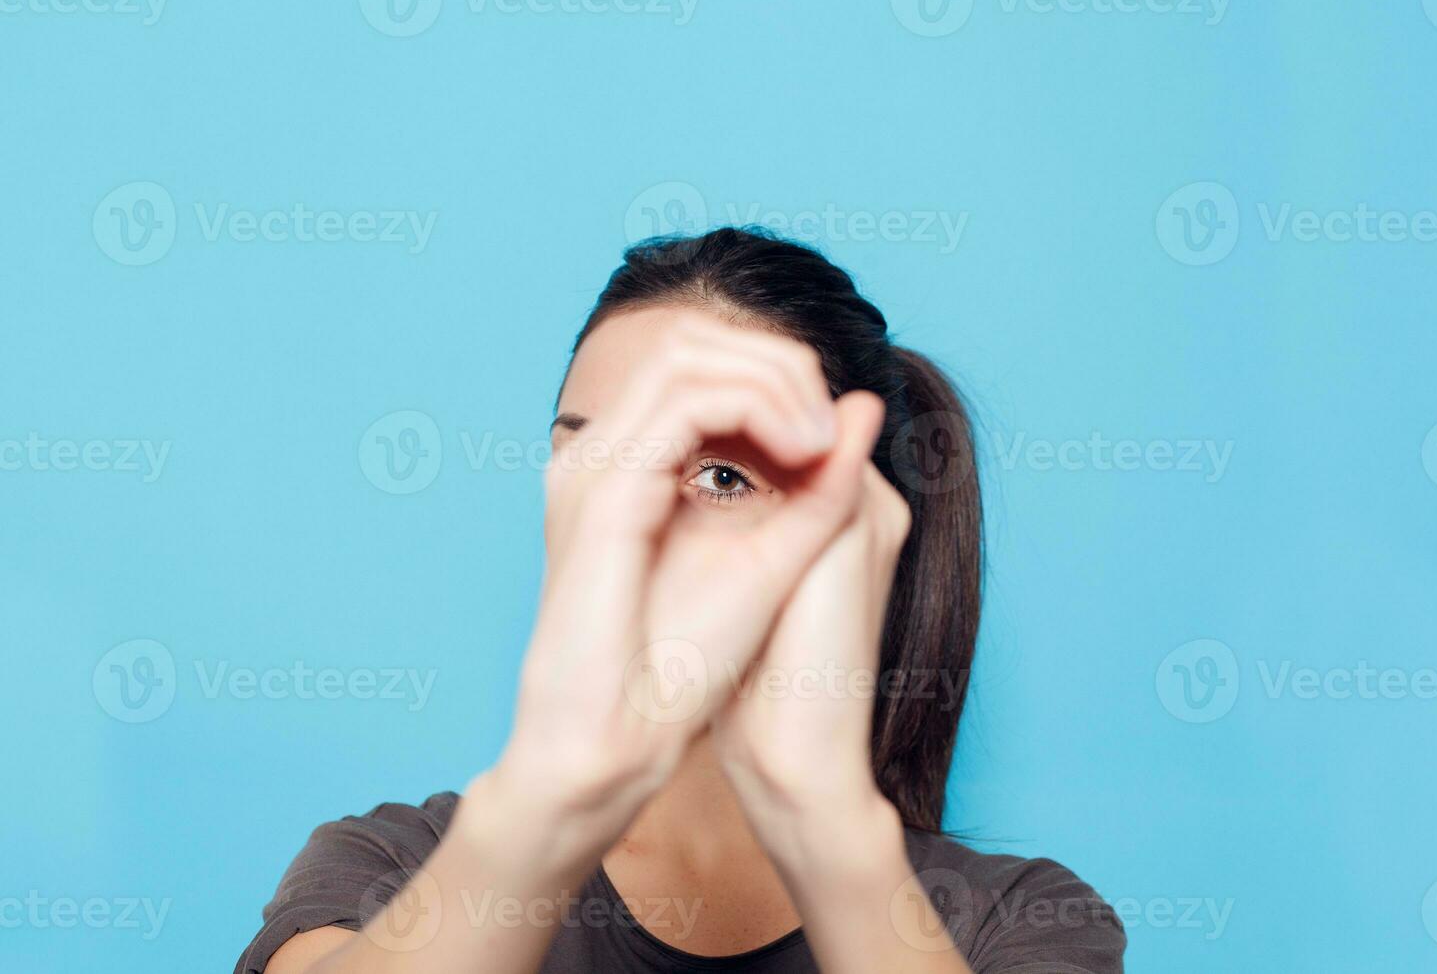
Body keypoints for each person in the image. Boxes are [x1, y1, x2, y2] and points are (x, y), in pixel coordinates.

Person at [235, 227, 1125, 973]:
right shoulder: (394, 871)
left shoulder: (1016, 922)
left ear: (856, 538)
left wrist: (824, 821)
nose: (633, 518)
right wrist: (551, 795)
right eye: (597, 458)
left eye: (724, 474)